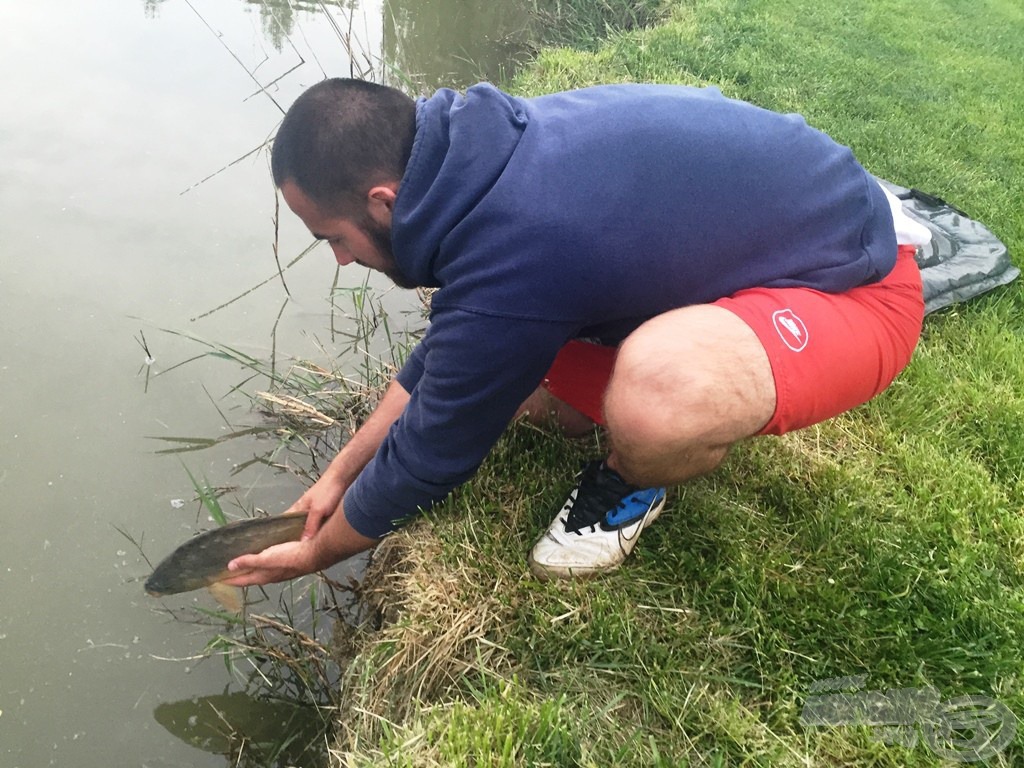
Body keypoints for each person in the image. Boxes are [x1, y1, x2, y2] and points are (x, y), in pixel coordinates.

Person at [224, 78, 930, 585]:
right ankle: (621, 398)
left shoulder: (520, 237)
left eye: (335, 238)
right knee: (521, 377)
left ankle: (629, 485)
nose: (342, 260)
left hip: (859, 286)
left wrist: (318, 554)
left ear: (382, 200)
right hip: (776, 234)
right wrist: (338, 476)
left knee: (659, 396)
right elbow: (456, 350)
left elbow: (432, 454)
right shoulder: (473, 158)